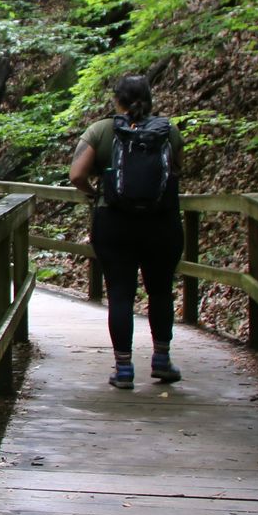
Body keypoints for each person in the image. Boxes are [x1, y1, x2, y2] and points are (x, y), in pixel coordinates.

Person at [68, 73, 185, 390]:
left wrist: (94, 192)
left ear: (115, 100)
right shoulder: (168, 131)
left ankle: (123, 369)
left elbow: (76, 174)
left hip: (115, 223)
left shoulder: (102, 130)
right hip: (161, 224)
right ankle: (161, 359)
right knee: (160, 291)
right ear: (150, 100)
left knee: (120, 293)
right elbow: (177, 170)